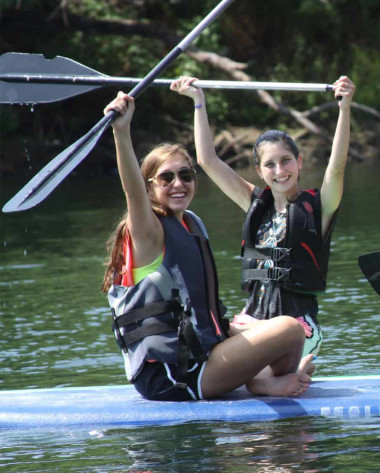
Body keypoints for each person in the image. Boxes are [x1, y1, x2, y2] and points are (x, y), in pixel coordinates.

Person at [100, 91, 313, 402]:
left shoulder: (191, 224)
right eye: (166, 177)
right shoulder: (147, 231)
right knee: (288, 330)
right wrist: (121, 131)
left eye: (186, 175)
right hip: (172, 375)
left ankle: (271, 378)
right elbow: (132, 191)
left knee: (289, 331)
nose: (178, 184)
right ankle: (266, 381)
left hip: (198, 354)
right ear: (150, 186)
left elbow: (198, 315)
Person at [171, 75, 355, 359]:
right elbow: (208, 161)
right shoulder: (256, 204)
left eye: (286, 161)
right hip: (251, 324)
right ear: (259, 171)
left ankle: (286, 373)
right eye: (270, 164)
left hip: (295, 328)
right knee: (201, 338)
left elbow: (338, 166)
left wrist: (344, 109)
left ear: (299, 162)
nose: (279, 170)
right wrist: (199, 102)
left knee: (258, 371)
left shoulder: (320, 208)